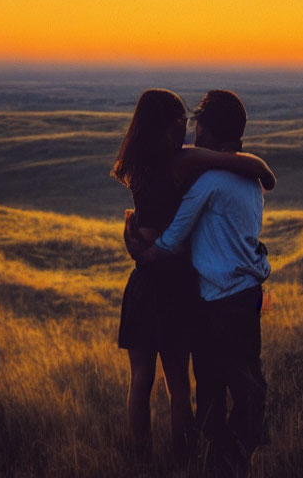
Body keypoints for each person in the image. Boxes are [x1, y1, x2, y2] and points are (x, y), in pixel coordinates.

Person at [111, 88, 275, 463]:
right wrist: (263, 170)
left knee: (149, 380)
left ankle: (149, 461)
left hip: (150, 283)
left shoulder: (143, 164)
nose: (189, 131)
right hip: (182, 288)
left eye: (193, 124)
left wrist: (144, 250)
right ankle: (193, 458)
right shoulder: (186, 165)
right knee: (184, 385)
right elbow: (236, 165)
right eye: (182, 124)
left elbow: (167, 234)